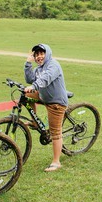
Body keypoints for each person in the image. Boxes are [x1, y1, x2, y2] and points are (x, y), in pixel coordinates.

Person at [24, 43, 69, 172]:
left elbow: (45, 79)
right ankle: (35, 122)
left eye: (41, 53)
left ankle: (56, 162)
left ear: (47, 53)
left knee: (55, 132)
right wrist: (28, 63)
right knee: (25, 95)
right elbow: (30, 79)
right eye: (36, 54)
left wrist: (34, 86)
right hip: (45, 97)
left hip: (56, 102)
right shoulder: (39, 68)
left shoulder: (53, 65)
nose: (39, 57)